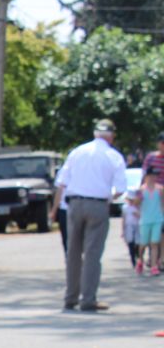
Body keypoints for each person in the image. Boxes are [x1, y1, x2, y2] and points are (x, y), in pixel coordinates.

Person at [50, 119, 128, 312]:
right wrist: (107, 197)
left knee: (73, 253)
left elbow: (61, 183)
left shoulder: (77, 152)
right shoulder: (114, 156)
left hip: (74, 204)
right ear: (112, 136)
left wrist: (54, 210)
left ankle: (70, 297)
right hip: (98, 205)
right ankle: (88, 299)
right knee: (92, 254)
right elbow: (120, 189)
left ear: (95, 134)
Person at [135, 169, 162, 276]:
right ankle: (140, 260)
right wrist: (138, 199)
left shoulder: (160, 189)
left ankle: (154, 266)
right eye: (151, 176)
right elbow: (136, 203)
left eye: (155, 176)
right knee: (144, 243)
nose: (153, 178)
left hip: (157, 219)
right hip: (145, 219)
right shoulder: (141, 190)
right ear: (146, 177)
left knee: (154, 243)